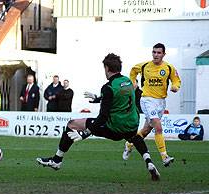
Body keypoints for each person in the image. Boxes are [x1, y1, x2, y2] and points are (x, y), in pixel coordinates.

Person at [37, 53, 160, 181]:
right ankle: (149, 162)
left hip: (114, 128)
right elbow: (120, 96)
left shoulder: (108, 87)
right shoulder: (128, 81)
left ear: (107, 68)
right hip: (132, 124)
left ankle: (57, 160)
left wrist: (85, 133)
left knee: (72, 124)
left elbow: (103, 116)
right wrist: (98, 99)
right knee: (134, 137)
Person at [123, 43, 181, 167]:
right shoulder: (144, 66)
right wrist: (133, 82)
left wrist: (175, 86)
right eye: (154, 52)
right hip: (147, 100)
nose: (156, 55)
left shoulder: (169, 68)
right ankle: (164, 156)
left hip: (161, 102)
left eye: (159, 53)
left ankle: (129, 144)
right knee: (158, 127)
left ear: (163, 54)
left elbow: (176, 79)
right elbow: (133, 70)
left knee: (146, 130)